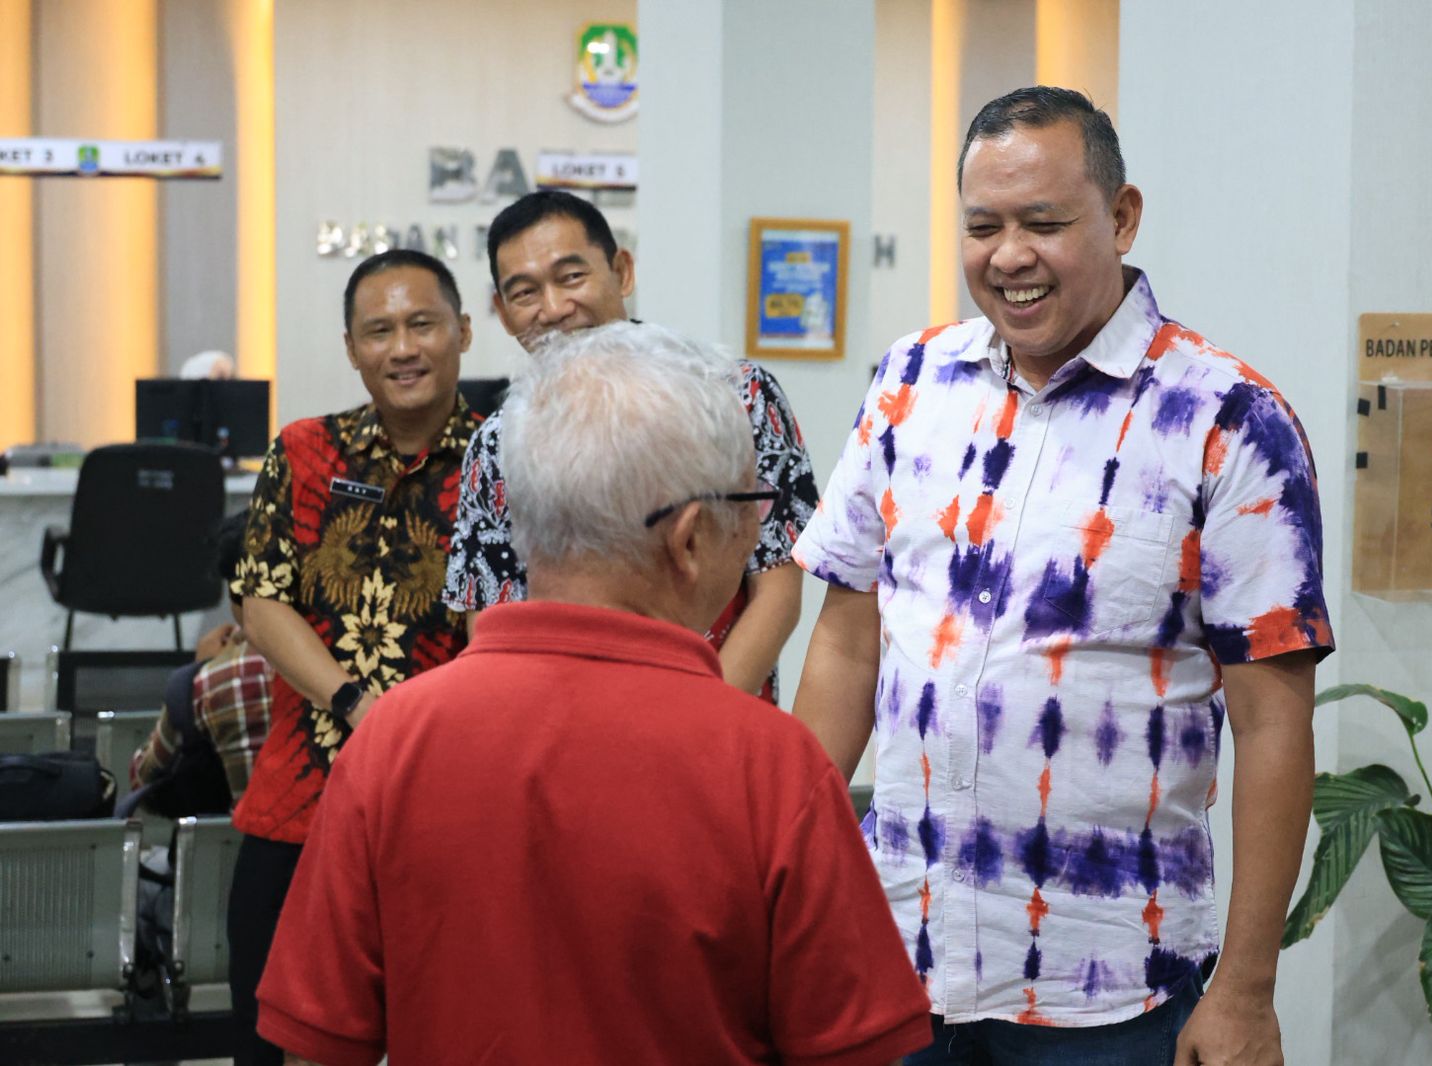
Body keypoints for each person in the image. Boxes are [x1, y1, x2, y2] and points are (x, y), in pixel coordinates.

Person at [791, 87, 1335, 1066]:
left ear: (1120, 217)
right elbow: (845, 639)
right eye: (983, 226)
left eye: (1043, 223)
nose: (1008, 255)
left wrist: (1246, 991)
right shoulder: (908, 383)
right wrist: (784, 874)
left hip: (1109, 995)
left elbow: (1271, 720)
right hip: (893, 961)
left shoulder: (1225, 417)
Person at [256, 322, 931, 1066]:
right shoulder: (771, 768)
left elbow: (320, 1046)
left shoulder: (393, 742)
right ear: (690, 538)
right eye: (750, 506)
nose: (757, 537)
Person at [227, 249, 480, 1065]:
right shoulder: (304, 451)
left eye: (421, 324)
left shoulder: (506, 461)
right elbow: (262, 600)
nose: (402, 347)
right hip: (301, 797)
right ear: (351, 348)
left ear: (463, 333)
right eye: (379, 330)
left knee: (441, 1035)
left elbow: (516, 627)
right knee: (272, 1036)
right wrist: (354, 703)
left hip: (449, 806)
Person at [442, 190, 816, 700]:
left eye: (572, 277)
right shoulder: (496, 445)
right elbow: (494, 620)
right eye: (525, 293)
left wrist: (694, 719)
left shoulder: (737, 396)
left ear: (621, 271)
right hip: (565, 730)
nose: (553, 309)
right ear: (503, 313)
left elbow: (776, 589)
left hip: (718, 720)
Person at [128, 510, 273, 813]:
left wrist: (199, 674)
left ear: (236, 594)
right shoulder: (358, 660)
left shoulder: (216, 681)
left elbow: (143, 778)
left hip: (235, 855)